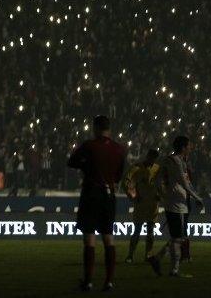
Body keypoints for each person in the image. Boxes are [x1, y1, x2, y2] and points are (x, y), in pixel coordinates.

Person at [67, 116, 126, 292]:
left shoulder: (89, 146)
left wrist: (86, 166)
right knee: (108, 237)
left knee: (89, 238)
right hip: (109, 194)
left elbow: (72, 162)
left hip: (91, 193)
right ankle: (109, 281)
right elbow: (119, 174)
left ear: (95, 128)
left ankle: (88, 281)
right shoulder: (118, 148)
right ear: (109, 128)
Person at [147, 136, 204, 277]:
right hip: (178, 204)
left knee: (178, 237)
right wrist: (198, 198)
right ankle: (174, 269)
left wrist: (164, 195)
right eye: (189, 146)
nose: (190, 148)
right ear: (183, 147)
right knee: (178, 238)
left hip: (175, 202)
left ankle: (158, 259)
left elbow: (157, 180)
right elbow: (185, 184)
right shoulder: (177, 162)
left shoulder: (169, 160)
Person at [123, 149, 160, 263]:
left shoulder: (158, 169)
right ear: (147, 156)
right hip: (140, 204)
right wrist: (133, 195)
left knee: (150, 232)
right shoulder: (137, 168)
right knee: (137, 231)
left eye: (154, 159)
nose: (152, 161)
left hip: (153, 205)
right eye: (151, 158)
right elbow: (126, 182)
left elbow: (162, 184)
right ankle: (130, 255)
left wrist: (160, 195)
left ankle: (148, 255)